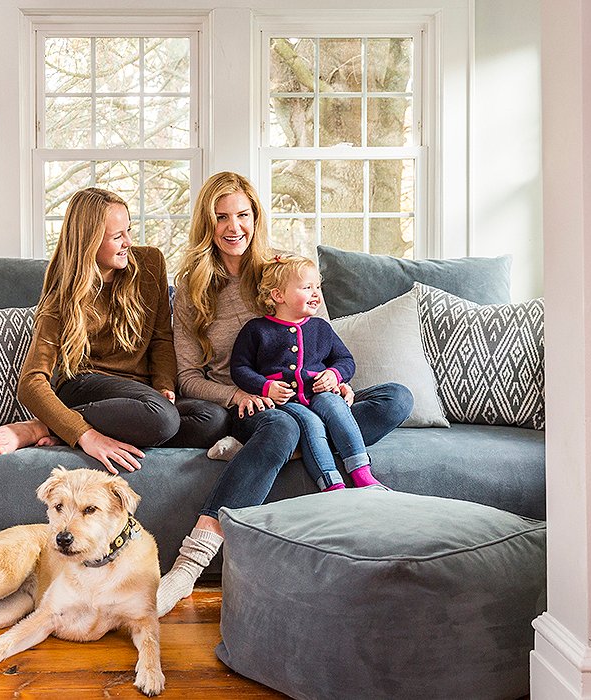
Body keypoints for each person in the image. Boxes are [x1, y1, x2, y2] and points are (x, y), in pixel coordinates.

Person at [157, 172, 412, 616]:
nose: (233, 227)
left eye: (242, 215)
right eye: (221, 217)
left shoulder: (286, 271)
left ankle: (287, 449)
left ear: (256, 217)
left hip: (312, 402)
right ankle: (187, 567)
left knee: (396, 398)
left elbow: (321, 339)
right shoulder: (192, 289)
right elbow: (189, 379)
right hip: (253, 404)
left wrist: (339, 380)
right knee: (279, 428)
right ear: (206, 223)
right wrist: (235, 395)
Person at [0, 187, 227, 472]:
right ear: (89, 242)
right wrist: (86, 436)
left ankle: (51, 427)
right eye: (118, 236)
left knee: (213, 419)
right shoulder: (61, 298)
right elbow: (31, 383)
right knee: (163, 419)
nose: (128, 242)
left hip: (139, 398)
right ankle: (57, 424)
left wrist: (163, 384)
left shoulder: (150, 264)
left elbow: (161, 337)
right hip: (86, 387)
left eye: (129, 230)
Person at [230, 254, 388, 492]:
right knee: (311, 422)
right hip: (285, 402)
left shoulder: (321, 328)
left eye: (317, 287)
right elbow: (240, 368)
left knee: (337, 408)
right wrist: (265, 387)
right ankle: (331, 484)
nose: (316, 294)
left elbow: (345, 360)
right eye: (307, 287)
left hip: (320, 394)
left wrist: (335, 375)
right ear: (278, 295)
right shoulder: (256, 330)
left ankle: (361, 472)